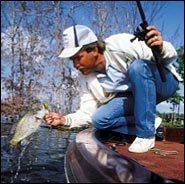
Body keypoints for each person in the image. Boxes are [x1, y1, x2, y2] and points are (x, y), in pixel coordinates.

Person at [44, 24, 183, 153]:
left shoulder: (121, 44)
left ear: (94, 50)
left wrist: (160, 48)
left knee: (138, 67)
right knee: (99, 119)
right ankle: (151, 122)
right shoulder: (85, 77)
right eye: (71, 60)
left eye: (78, 58)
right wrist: (65, 120)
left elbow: (168, 56)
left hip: (164, 83)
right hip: (135, 97)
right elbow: (87, 112)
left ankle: (146, 135)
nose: (75, 64)